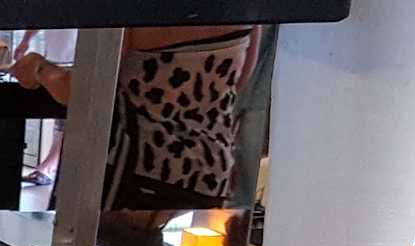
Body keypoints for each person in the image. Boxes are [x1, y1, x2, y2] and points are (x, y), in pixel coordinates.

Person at [13, 29, 260, 211]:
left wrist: (40, 68)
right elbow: (239, 82)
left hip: (132, 168)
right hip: (210, 171)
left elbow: (83, 90)